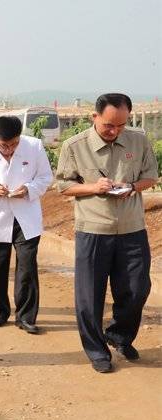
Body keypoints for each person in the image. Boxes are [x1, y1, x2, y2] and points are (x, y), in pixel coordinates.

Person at [55, 93, 158, 373]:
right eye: (109, 125)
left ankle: (120, 336)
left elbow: (151, 176)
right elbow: (63, 186)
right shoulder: (74, 146)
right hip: (93, 230)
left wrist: (132, 186)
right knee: (90, 295)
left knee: (137, 288)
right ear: (95, 117)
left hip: (132, 229)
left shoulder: (138, 141)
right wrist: (93, 187)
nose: (115, 131)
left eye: (121, 125)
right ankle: (97, 351)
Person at [0, 115, 52, 333]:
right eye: (4, 145)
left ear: (20, 137)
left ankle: (26, 317)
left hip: (26, 217)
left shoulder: (34, 146)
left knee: (27, 268)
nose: (9, 150)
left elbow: (45, 177)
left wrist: (29, 189)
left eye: (14, 144)